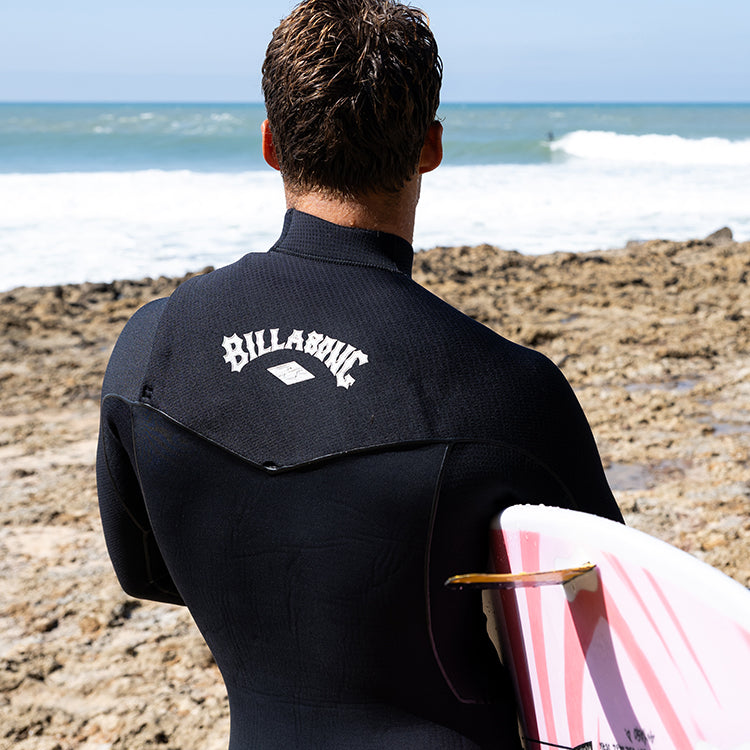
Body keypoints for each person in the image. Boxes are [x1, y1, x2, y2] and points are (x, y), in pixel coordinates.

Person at [96, 1, 623, 748]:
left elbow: (145, 570)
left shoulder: (151, 348)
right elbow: (607, 620)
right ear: (431, 146)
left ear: (271, 144)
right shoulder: (511, 389)